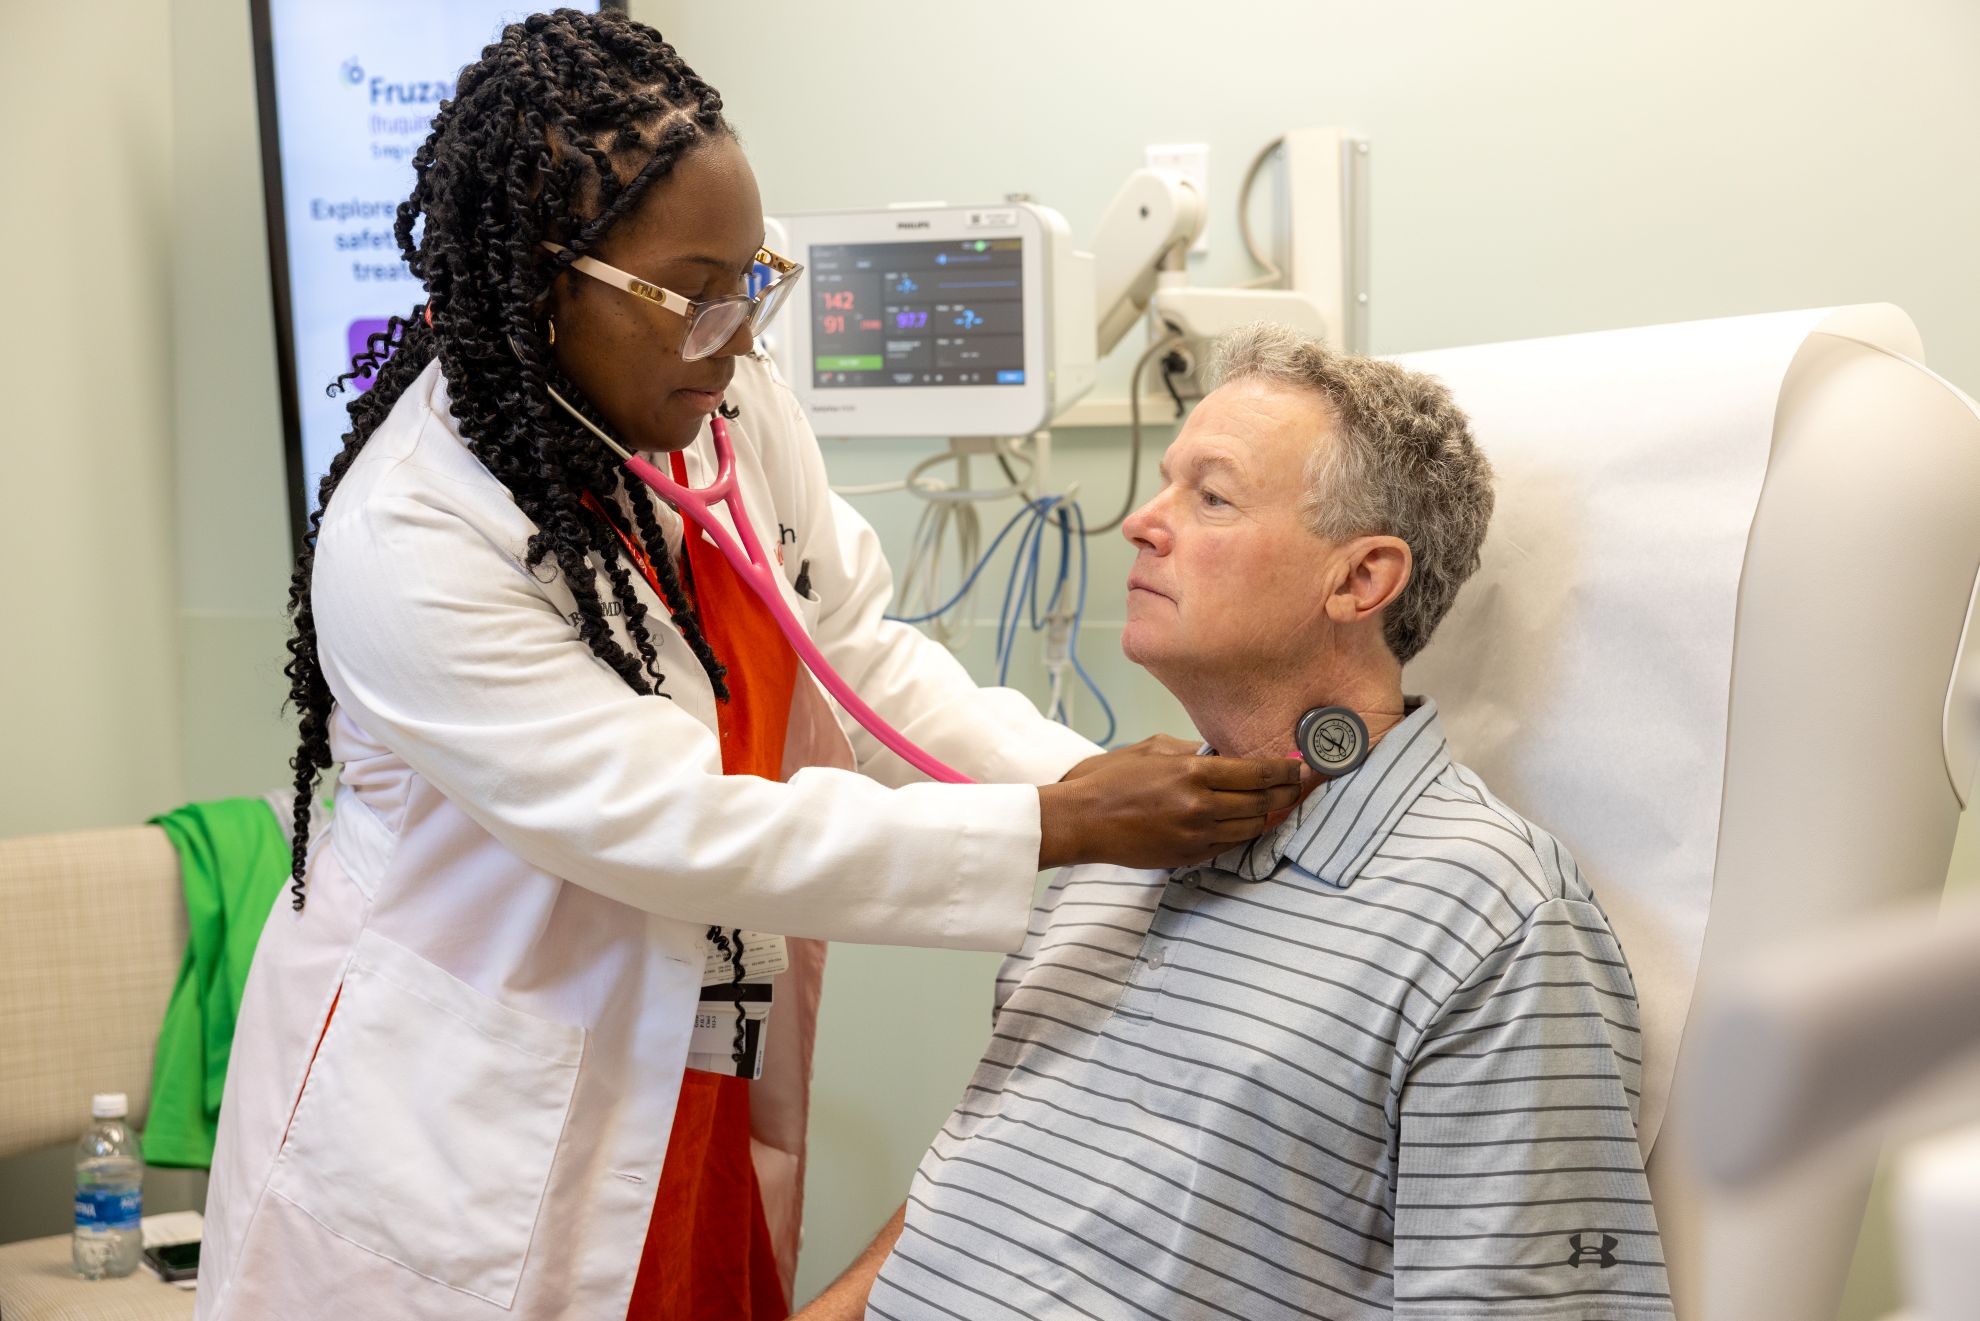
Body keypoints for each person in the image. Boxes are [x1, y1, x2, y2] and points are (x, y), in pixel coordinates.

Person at [195, 13, 1305, 1321]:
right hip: (458, 1113)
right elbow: (669, 823)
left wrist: (1096, 782)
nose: (734, 335)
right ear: (551, 282)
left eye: (752, 280)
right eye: (693, 290)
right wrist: (1062, 826)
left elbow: (855, 660)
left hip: (690, 1054)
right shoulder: (415, 536)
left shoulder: (721, 403)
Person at [800, 324, 1675, 1320]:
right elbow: (981, 1185)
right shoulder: (1118, 838)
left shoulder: (1489, 925)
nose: (1141, 521)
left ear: (1360, 580)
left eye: (1209, 496)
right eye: (1167, 483)